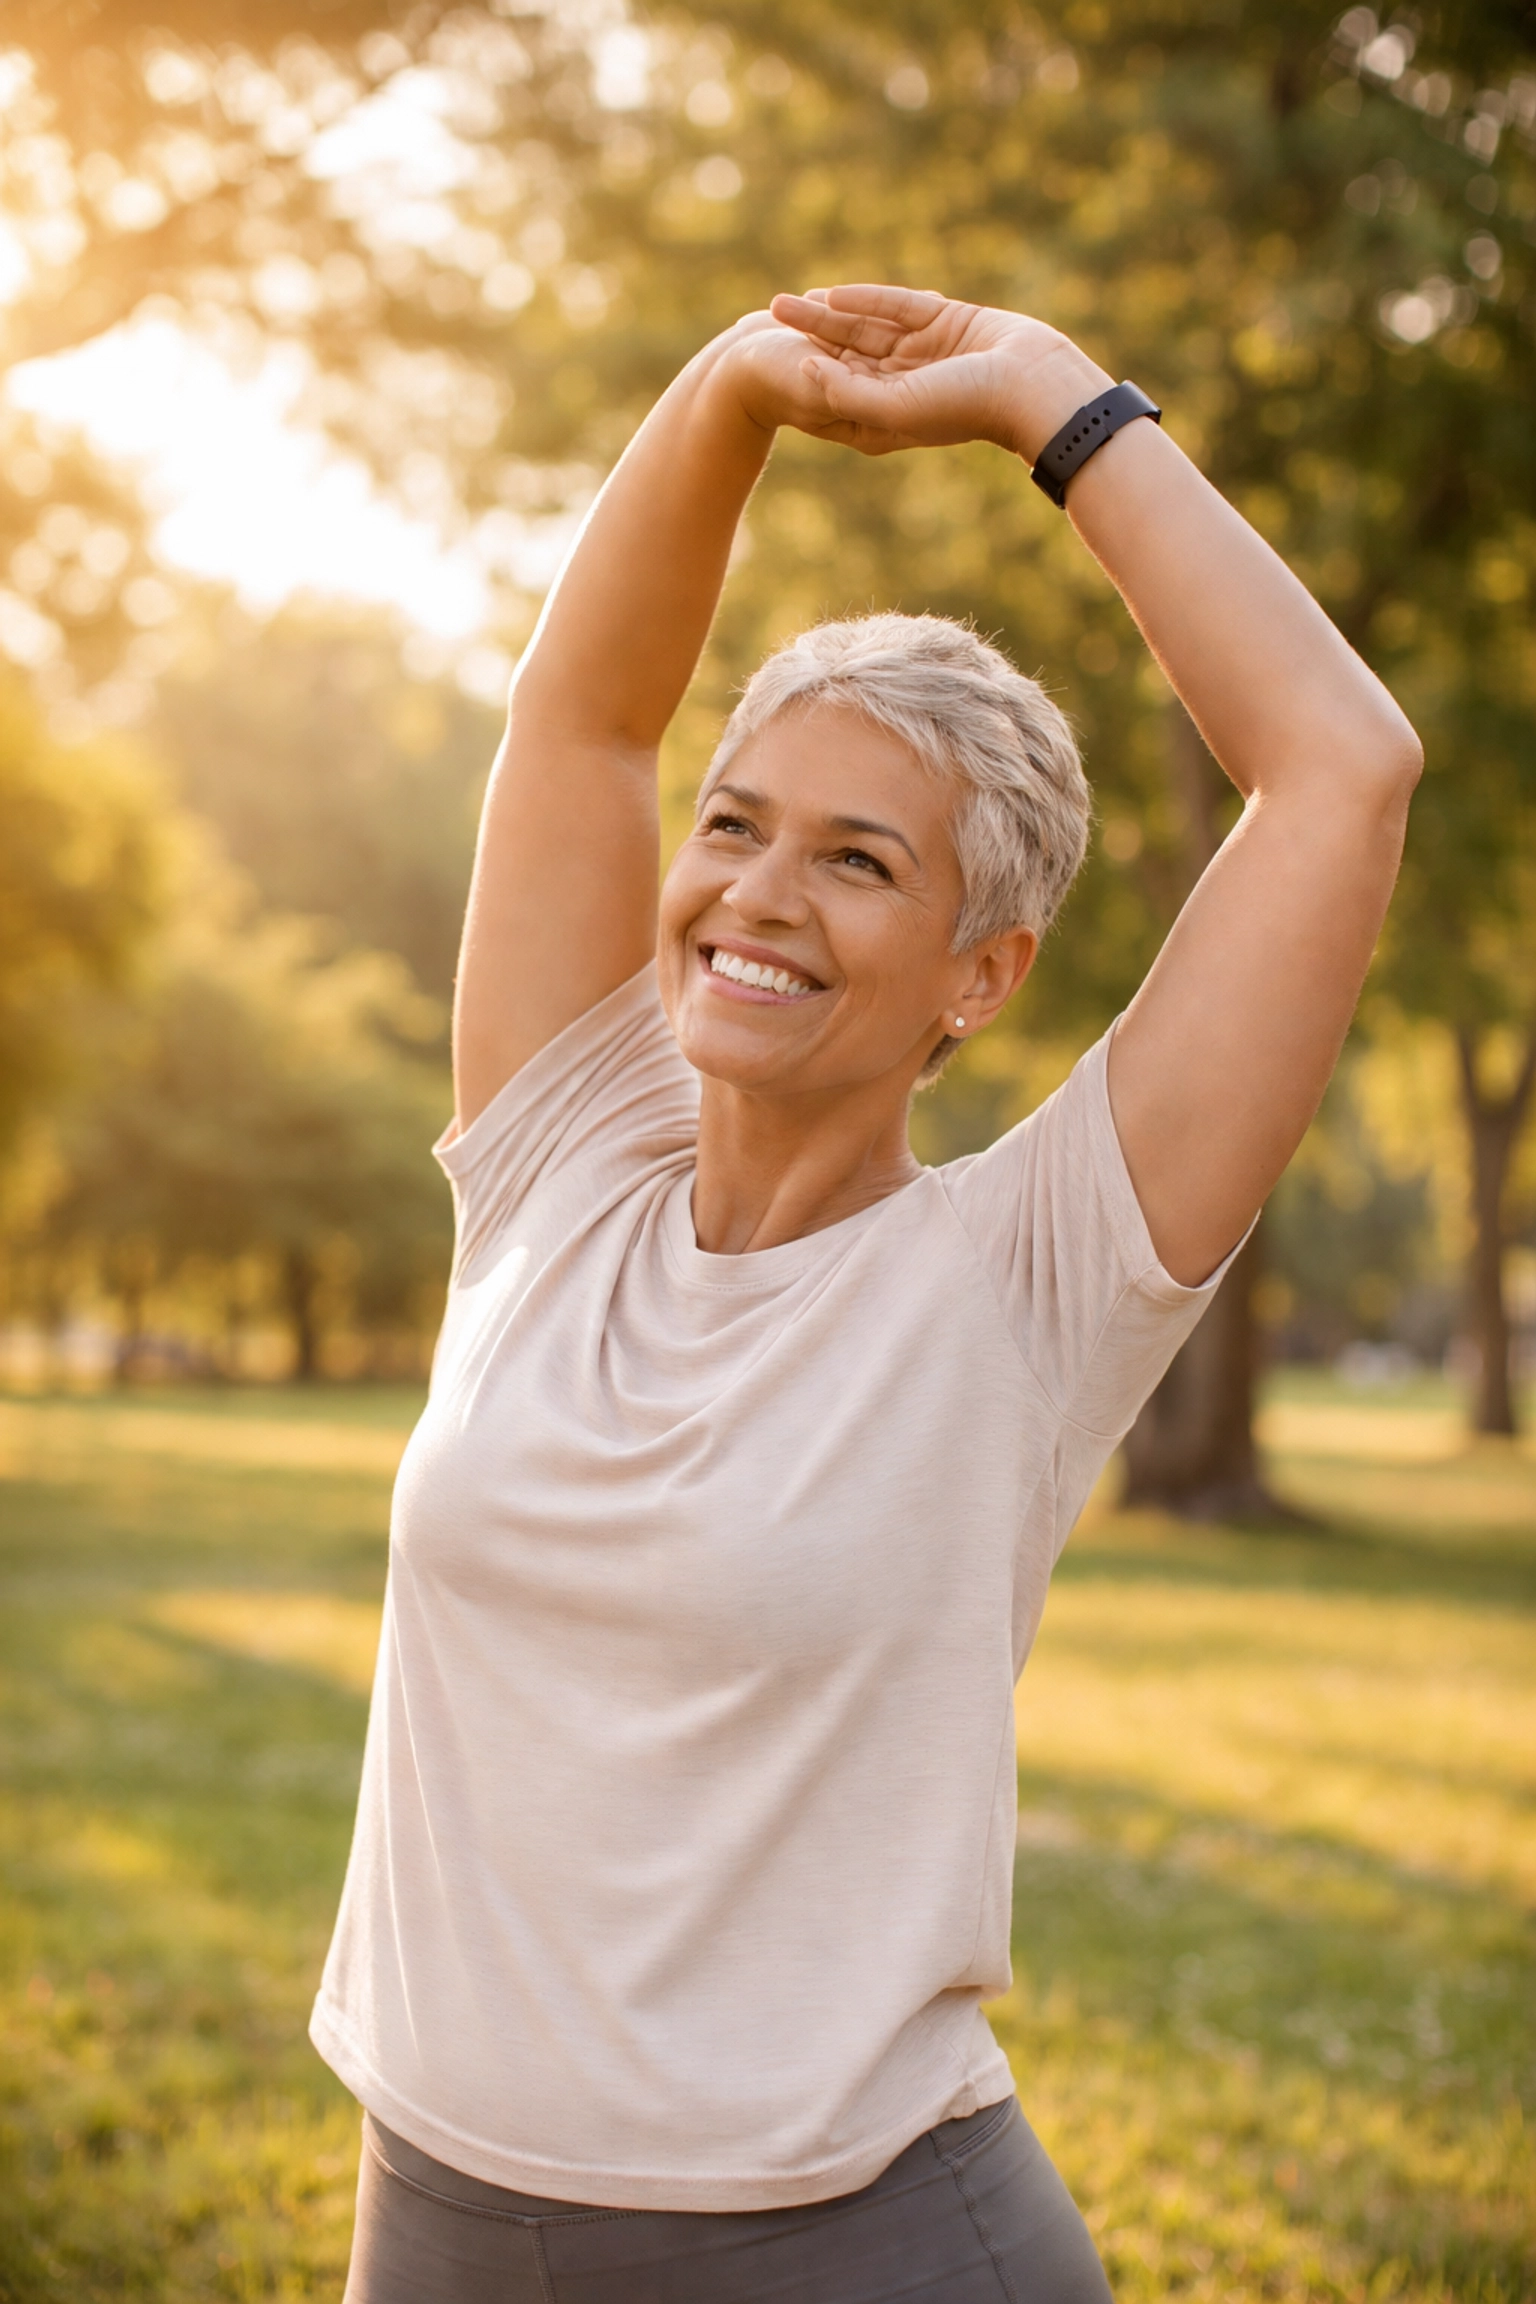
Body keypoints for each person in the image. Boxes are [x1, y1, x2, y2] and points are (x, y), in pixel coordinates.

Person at [314, 285, 1420, 2303]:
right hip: (436, 2220)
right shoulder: (559, 1164)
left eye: (857, 863)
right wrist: (736, 378)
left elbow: (1340, 770)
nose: (754, 893)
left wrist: (1046, 399)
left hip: (855, 2246)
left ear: (978, 976)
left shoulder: (1033, 1274)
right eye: (736, 828)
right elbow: (581, 720)